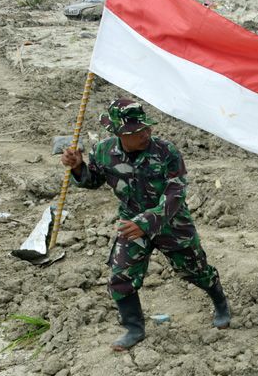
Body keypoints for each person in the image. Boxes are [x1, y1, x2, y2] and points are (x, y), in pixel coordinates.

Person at [61, 98, 231, 351]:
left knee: (196, 270)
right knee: (121, 276)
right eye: (136, 131)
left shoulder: (166, 152)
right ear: (118, 133)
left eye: (145, 128)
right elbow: (92, 181)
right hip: (131, 224)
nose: (145, 134)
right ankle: (134, 328)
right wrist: (78, 168)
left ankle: (220, 302)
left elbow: (176, 193)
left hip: (171, 222)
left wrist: (148, 221)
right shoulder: (103, 151)